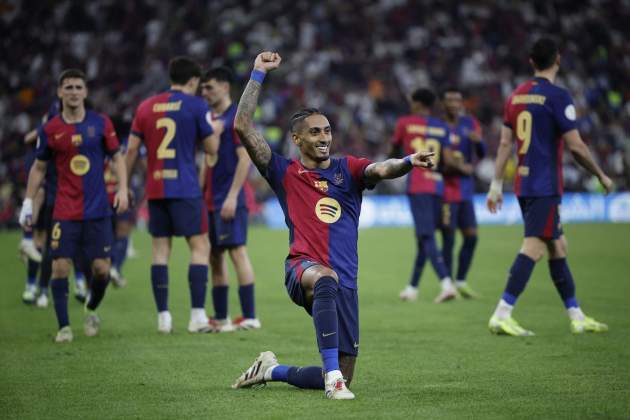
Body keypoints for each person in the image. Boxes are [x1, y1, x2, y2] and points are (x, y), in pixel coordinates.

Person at [231, 52, 435, 400]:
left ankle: (272, 370)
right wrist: (257, 75)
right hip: (303, 268)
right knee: (324, 278)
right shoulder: (284, 172)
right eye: (314, 132)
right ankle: (333, 384)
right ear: (297, 140)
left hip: (346, 282)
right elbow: (243, 126)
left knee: (344, 368)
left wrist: (406, 162)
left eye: (327, 130)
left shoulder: (348, 169)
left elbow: (381, 169)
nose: (324, 137)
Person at [486, 37, 613, 336]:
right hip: (545, 184)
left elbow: (505, 142)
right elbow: (577, 147)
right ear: (558, 59)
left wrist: (495, 184)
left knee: (558, 245)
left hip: (523, 182)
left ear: (531, 62)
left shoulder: (515, 95)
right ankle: (502, 313)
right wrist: (600, 175)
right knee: (534, 246)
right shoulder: (558, 96)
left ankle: (577, 315)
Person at [19, 69, 129, 343]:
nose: (73, 91)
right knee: (60, 268)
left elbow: (116, 158)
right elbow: (38, 167)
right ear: (59, 92)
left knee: (102, 269)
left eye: (78, 87)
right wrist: (27, 203)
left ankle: (91, 308)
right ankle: (64, 327)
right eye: (68, 87)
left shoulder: (101, 123)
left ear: (85, 92)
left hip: (98, 210)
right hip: (64, 211)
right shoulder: (50, 129)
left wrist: (124, 189)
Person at [126, 56, 222, 334]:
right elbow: (212, 148)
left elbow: (131, 150)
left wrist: (124, 186)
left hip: (155, 189)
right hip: (185, 188)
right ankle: (196, 316)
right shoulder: (195, 105)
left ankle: (164, 318)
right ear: (193, 80)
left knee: (159, 251)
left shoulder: (146, 106)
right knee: (200, 247)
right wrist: (213, 129)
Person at [393, 88, 471, 303]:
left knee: (426, 236)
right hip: (438, 187)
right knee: (424, 238)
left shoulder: (405, 123)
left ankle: (446, 283)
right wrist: (464, 167)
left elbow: (393, 152)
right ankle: (412, 288)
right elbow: (446, 160)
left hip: (418, 186)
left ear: (417, 103)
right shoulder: (441, 126)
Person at [199, 67, 259, 332]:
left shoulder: (236, 118)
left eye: (209, 87)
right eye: (203, 88)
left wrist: (233, 196)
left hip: (229, 198)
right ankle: (222, 317)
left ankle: (249, 316)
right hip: (211, 198)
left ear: (224, 87)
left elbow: (245, 159)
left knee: (237, 252)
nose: (205, 92)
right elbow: (207, 160)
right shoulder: (210, 117)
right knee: (214, 255)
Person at [439, 87, 486, 298]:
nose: (454, 104)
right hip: (446, 191)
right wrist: (460, 167)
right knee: (448, 240)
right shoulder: (438, 127)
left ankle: (461, 280)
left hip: (465, 192)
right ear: (444, 104)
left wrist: (479, 142)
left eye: (457, 100)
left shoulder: (470, 124)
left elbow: (481, 153)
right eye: (450, 100)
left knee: (472, 237)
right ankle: (449, 285)